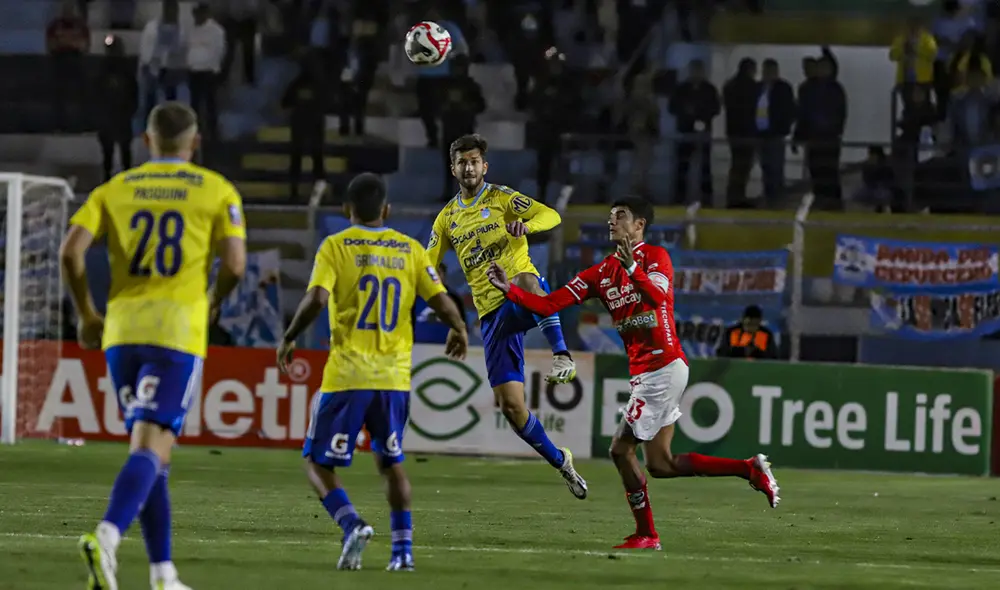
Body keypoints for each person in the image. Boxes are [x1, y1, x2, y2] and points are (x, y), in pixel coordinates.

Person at [485, 198, 780, 550]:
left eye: (620, 216)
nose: (612, 221)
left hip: (663, 366)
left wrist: (632, 269)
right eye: (609, 216)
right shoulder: (601, 272)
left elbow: (656, 296)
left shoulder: (656, 257)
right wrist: (511, 292)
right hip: (648, 373)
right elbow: (550, 304)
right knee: (661, 464)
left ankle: (646, 534)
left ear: (639, 224)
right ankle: (750, 469)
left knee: (619, 450)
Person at [63, 102, 247, 589]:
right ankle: (106, 535)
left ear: (147, 141)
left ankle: (163, 574)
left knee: (151, 449)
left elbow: (71, 251)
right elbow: (236, 263)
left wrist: (86, 314)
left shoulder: (115, 188)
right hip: (176, 331)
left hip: (121, 334)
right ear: (196, 141)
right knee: (154, 445)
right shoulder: (215, 189)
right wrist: (213, 299)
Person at [276, 173, 468, 572]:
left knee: (317, 462)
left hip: (347, 375)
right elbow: (441, 297)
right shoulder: (410, 250)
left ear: (347, 210)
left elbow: (316, 298)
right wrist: (460, 328)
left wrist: (290, 335)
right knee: (391, 462)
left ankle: (352, 525)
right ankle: (403, 554)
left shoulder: (336, 246)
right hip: (394, 380)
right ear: (387, 210)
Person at [425, 133, 588, 499]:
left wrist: (526, 226)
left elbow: (552, 214)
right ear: (454, 169)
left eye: (474, 161)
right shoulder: (447, 219)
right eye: (462, 162)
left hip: (519, 294)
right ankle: (562, 462)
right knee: (511, 408)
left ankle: (562, 355)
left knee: (528, 278)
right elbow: (426, 267)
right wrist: (447, 312)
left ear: (485, 166)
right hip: (491, 316)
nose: (469, 167)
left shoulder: (502, 198)